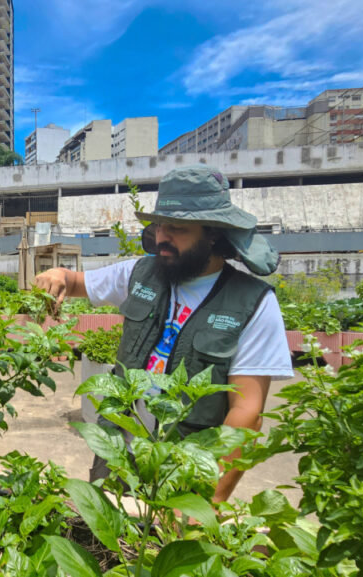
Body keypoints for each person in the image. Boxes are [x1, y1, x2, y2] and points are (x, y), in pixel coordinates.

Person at [34, 165, 293, 503]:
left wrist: (207, 499)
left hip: (182, 472)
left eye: (177, 228)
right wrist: (57, 275)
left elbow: (245, 415)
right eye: (158, 225)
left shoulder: (253, 303)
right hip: (116, 456)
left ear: (212, 233)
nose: (161, 237)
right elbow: (76, 282)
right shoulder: (141, 272)